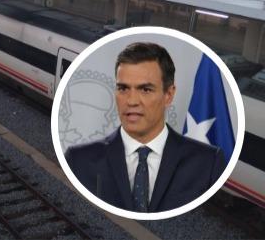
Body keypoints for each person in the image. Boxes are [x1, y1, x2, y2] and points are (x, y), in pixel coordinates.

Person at [65, 42, 225, 213]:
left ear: (168, 95)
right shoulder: (78, 160)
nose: (131, 101)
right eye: (123, 88)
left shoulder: (207, 162)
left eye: (145, 90)